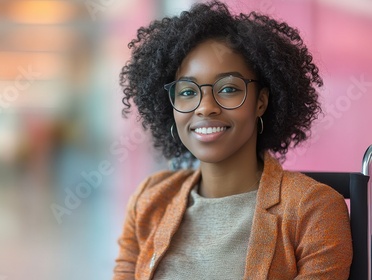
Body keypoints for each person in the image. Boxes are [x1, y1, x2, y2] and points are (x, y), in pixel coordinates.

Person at [113, 1, 352, 279]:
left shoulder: (313, 209)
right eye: (187, 92)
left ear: (261, 101)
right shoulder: (149, 199)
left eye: (228, 88)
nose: (205, 107)